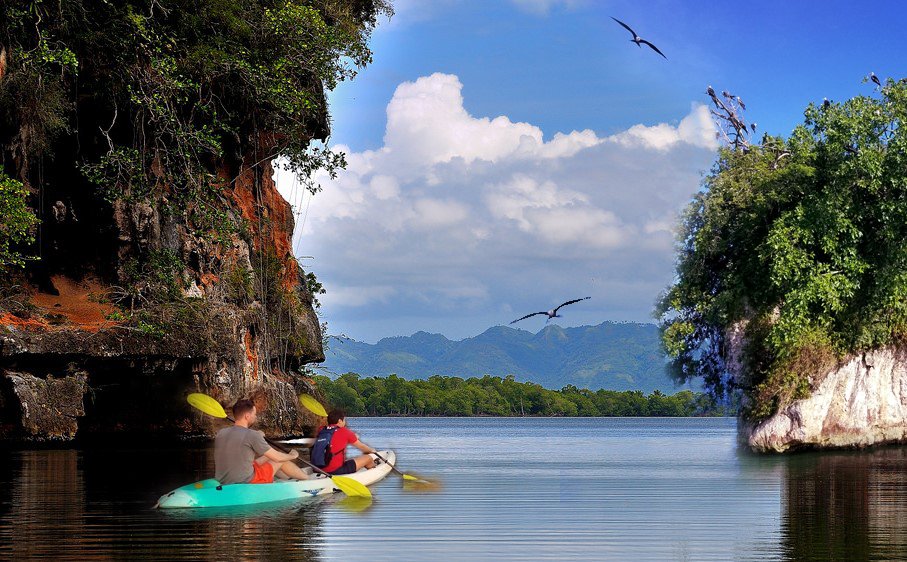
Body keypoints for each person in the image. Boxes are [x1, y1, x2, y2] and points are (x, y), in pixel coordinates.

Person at [214, 399, 310, 484]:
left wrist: (257, 435)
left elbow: (241, 439)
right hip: (247, 480)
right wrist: (293, 456)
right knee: (281, 460)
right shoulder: (252, 435)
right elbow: (277, 458)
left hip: (223, 480)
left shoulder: (221, 433)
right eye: (254, 414)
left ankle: (289, 477)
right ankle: (308, 479)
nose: (255, 417)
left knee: (266, 457)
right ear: (247, 416)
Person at [314, 408, 377, 475]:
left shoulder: (321, 430)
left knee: (349, 459)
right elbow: (362, 447)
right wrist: (371, 450)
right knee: (368, 458)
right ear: (340, 421)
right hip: (335, 470)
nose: (345, 422)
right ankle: (373, 473)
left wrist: (352, 436)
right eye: (344, 420)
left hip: (318, 468)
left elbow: (335, 438)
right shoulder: (344, 431)